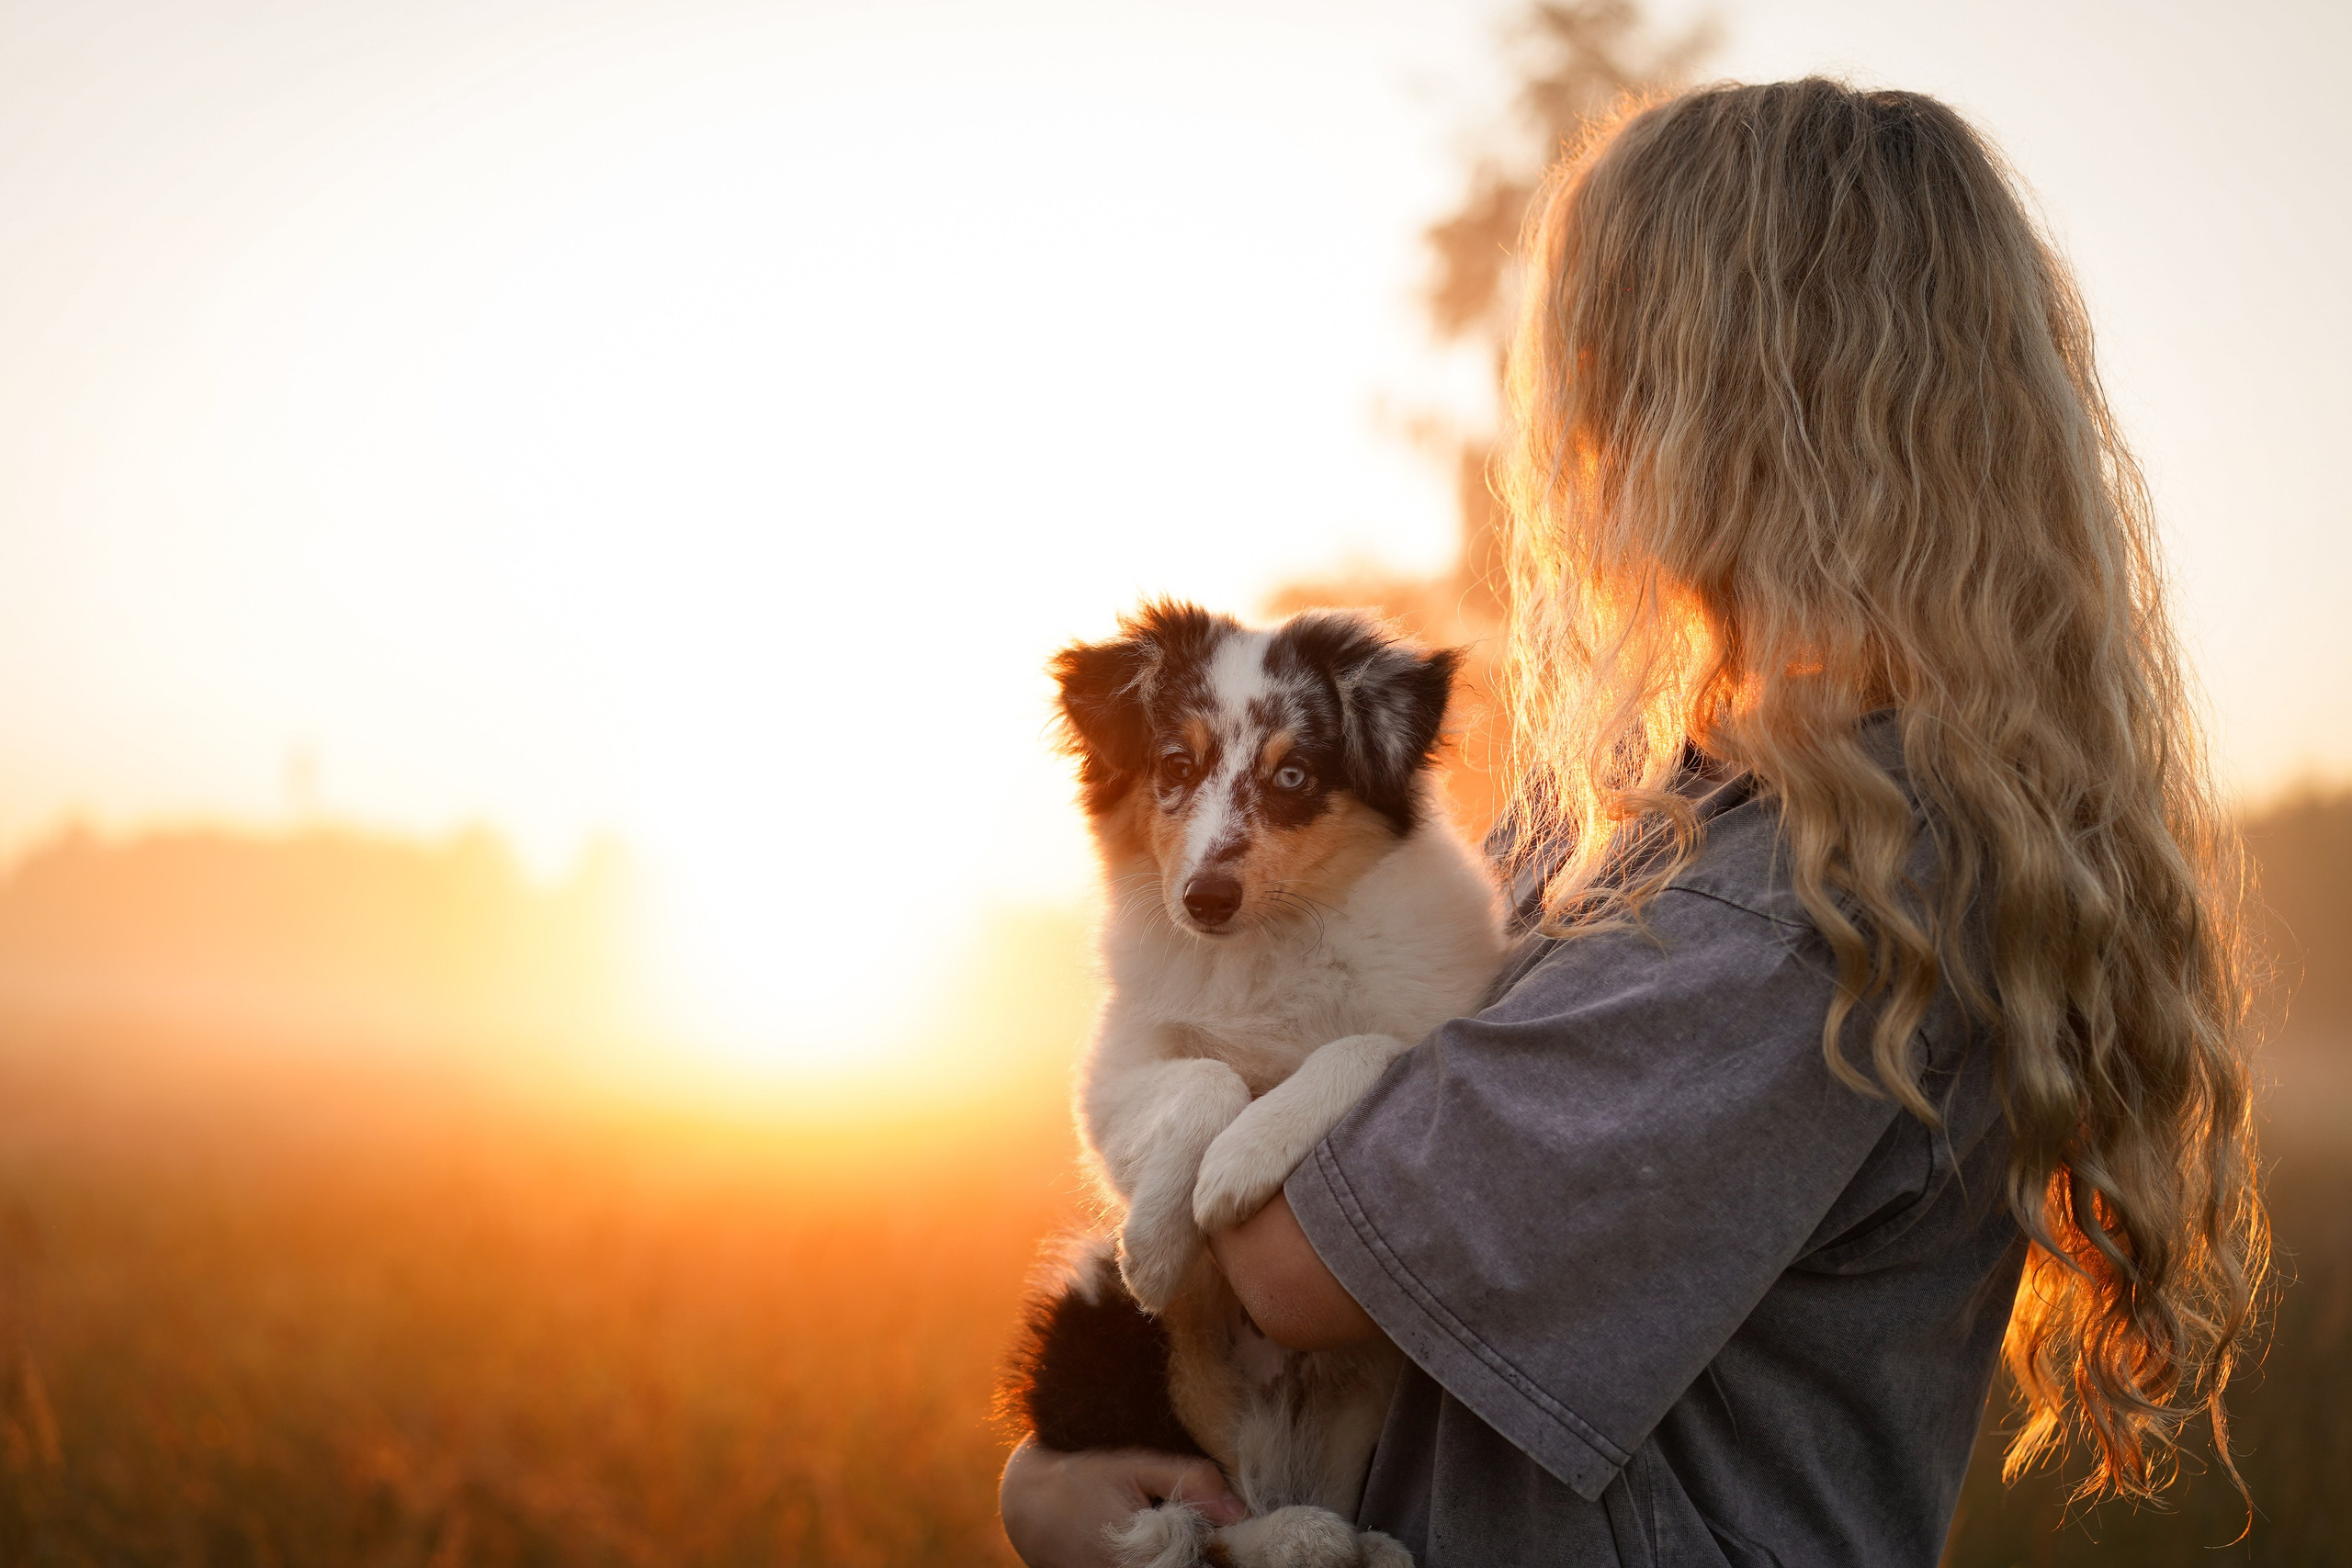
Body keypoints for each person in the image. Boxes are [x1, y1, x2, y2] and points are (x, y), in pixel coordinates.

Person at [1001, 77, 2266, 1567]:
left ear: (1733, 407)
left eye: (1602, 356)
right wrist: (1056, 1479)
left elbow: (1288, 1263)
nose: (1566, 420)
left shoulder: (1807, 910)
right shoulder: (1636, 827)